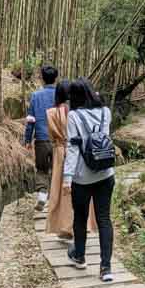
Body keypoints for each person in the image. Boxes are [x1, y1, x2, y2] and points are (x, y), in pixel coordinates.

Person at [63, 77, 115, 282]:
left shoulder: (74, 116)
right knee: (104, 218)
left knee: (80, 217)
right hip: (105, 173)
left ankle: (80, 256)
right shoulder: (105, 112)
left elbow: (73, 149)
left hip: (82, 177)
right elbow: (104, 140)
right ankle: (106, 268)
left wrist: (67, 178)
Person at [46, 80, 97, 240]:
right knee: (83, 185)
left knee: (63, 190)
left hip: (61, 152)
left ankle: (65, 226)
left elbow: (52, 136)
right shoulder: (80, 113)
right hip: (79, 151)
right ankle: (85, 224)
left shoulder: (52, 112)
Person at [24, 63, 58, 210]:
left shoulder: (35, 96)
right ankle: (57, 202)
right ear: (55, 78)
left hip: (41, 140)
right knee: (57, 170)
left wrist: (27, 139)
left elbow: (30, 120)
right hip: (58, 140)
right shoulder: (61, 94)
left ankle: (43, 195)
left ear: (42, 79)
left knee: (42, 169)